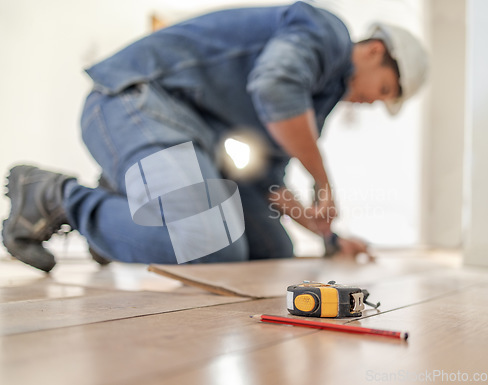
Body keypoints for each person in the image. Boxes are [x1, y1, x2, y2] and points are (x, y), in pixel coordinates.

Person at [2, 1, 427, 272]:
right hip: (134, 100)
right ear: (375, 52)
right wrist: (322, 181)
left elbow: (267, 181)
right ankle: (57, 197)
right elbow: (274, 86)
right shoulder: (324, 32)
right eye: (384, 90)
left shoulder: (318, 102)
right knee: (211, 248)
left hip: (189, 138)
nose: (374, 102)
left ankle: (122, 211)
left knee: (270, 250)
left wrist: (330, 239)